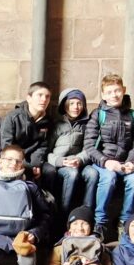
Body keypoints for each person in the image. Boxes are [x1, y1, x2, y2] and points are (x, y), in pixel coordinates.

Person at [83, 74, 134, 242]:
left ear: (123, 90)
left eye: (117, 90)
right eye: (109, 92)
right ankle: (100, 224)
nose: (114, 95)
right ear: (103, 95)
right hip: (103, 162)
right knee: (108, 179)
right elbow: (89, 145)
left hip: (126, 163)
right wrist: (106, 161)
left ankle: (125, 222)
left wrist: (132, 162)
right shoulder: (98, 115)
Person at [47, 88, 99, 222]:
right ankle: (64, 216)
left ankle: (86, 214)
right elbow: (46, 150)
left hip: (79, 162)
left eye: (79, 103)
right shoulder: (57, 125)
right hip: (61, 164)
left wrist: (80, 159)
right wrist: (60, 161)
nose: (75, 107)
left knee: (93, 173)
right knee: (71, 174)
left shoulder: (87, 125)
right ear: (65, 105)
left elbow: (89, 147)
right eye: (71, 103)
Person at [0, 81, 57, 195]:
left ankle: (47, 205)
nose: (44, 100)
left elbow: (43, 146)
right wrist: (24, 164)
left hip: (34, 160)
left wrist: (36, 164)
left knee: (50, 171)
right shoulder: (13, 117)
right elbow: (7, 146)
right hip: (14, 160)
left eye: (47, 96)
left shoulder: (48, 121)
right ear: (29, 98)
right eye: (39, 95)